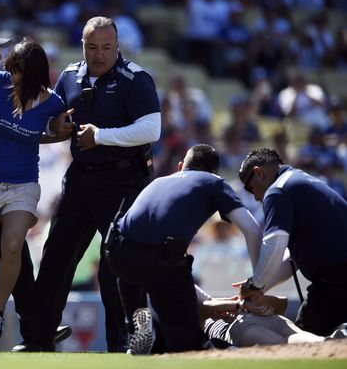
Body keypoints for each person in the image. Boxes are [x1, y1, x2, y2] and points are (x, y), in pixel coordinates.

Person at [13, 16, 162, 353]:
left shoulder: (135, 79)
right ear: (82, 45)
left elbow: (151, 130)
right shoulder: (69, 76)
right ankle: (38, 338)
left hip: (124, 181)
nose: (99, 54)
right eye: (92, 47)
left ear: (117, 45)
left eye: (106, 47)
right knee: (55, 257)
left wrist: (102, 136)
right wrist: (54, 125)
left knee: (116, 265)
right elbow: (51, 118)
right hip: (80, 181)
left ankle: (121, 342)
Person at [0, 27, 71, 344]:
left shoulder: (51, 103)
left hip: (20, 183)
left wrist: (58, 132)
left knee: (14, 249)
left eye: (10, 63)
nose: (5, 67)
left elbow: (57, 127)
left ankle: (27, 322)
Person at [106, 144, 263, 355]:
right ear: (214, 172)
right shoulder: (214, 182)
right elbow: (253, 230)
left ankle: (139, 334)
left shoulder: (159, 181)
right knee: (186, 343)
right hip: (160, 263)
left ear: (181, 166)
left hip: (119, 255)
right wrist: (257, 283)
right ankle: (164, 339)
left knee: (136, 279)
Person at [237, 147, 347, 337]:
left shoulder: (277, 190)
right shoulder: (298, 180)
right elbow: (292, 259)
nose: (255, 197)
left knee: (303, 339)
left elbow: (275, 243)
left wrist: (254, 285)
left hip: (336, 278)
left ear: (258, 173)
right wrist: (260, 287)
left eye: (250, 188)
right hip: (338, 276)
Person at [196, 286, 347, 347]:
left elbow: (282, 302)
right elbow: (282, 303)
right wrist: (241, 304)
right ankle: (339, 338)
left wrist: (245, 303)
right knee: (318, 342)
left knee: (284, 345)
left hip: (240, 327)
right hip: (262, 320)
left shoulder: (197, 310)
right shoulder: (232, 303)